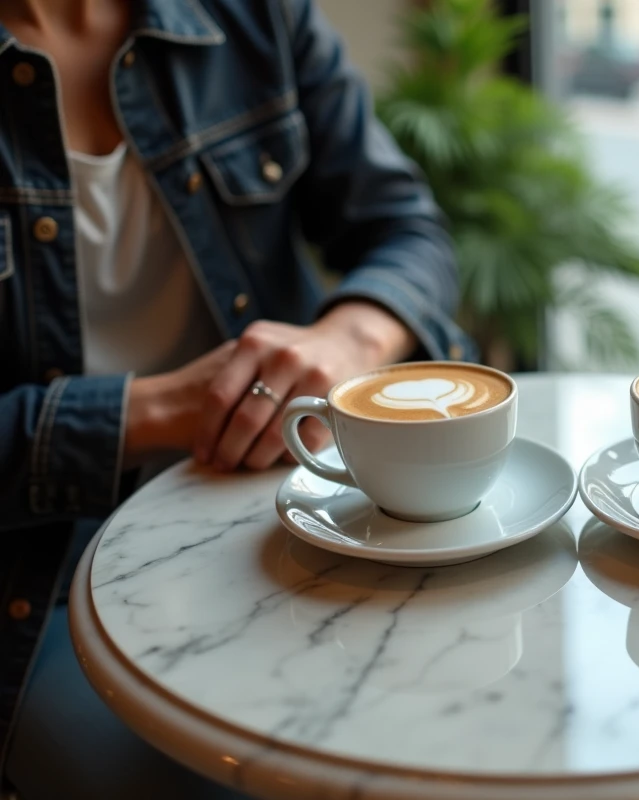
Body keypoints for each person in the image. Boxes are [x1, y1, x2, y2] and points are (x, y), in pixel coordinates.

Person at [0, 1, 473, 797]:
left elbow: (406, 230)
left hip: (281, 511)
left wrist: (346, 342)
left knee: (455, 714)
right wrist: (158, 410)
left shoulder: (253, 15)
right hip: (38, 575)